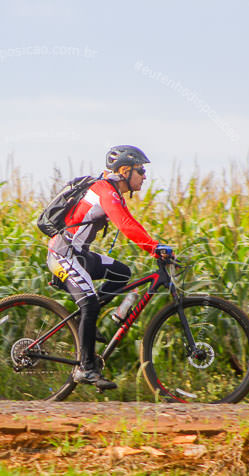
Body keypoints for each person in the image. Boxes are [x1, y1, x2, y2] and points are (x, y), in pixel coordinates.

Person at [46, 145, 173, 390]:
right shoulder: (104, 190)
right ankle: (85, 369)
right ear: (125, 170)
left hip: (79, 256)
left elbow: (132, 223)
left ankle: (88, 321)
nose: (144, 176)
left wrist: (157, 245)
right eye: (141, 171)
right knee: (90, 303)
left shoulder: (114, 192)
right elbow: (125, 225)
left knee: (122, 273)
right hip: (63, 254)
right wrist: (154, 248)